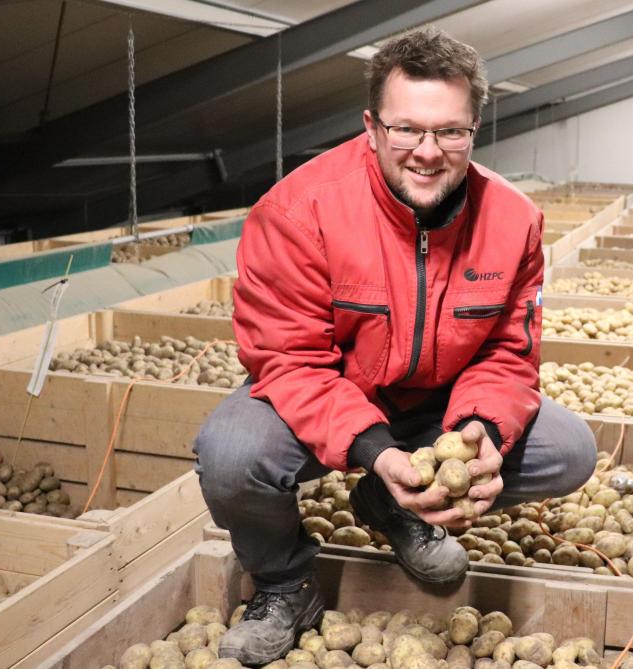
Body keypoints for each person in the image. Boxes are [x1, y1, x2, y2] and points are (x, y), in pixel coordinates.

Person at [192, 26, 598, 666]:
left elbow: (506, 355)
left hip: (439, 404)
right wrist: (376, 450)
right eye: (405, 128)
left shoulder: (514, 219)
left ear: (475, 129)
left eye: (450, 131)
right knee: (232, 453)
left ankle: (390, 505)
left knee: (569, 450)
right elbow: (289, 360)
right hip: (331, 394)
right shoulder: (297, 211)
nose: (428, 152)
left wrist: (477, 435)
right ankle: (284, 584)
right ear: (371, 127)